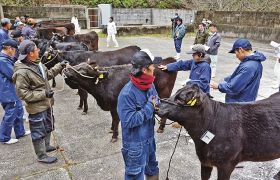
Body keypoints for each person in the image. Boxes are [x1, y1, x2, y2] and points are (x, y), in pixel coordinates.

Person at [12, 40, 68, 163]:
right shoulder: (22, 72)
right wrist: (44, 94)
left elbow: (47, 75)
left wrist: (60, 66)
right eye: (36, 49)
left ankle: (46, 146)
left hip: (47, 104)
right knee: (38, 131)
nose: (38, 50)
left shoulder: (38, 64)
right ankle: (41, 156)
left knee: (48, 125)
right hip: (36, 107)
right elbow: (22, 93)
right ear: (30, 53)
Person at [117, 49, 159, 180]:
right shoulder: (127, 94)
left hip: (149, 139)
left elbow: (156, 99)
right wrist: (150, 106)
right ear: (145, 69)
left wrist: (155, 104)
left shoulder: (150, 84)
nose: (155, 68)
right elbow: (129, 121)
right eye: (153, 66)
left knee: (152, 168)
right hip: (135, 145)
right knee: (135, 175)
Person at [210, 38, 266, 103]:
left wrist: (218, 86)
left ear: (241, 49)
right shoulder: (255, 62)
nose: (236, 56)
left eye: (236, 52)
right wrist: (226, 80)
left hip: (239, 104)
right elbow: (240, 76)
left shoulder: (248, 67)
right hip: (247, 99)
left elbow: (234, 87)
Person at [0, 39, 30, 144]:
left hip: (12, 90)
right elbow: (12, 74)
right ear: (9, 49)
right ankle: (4, 137)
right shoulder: (2, 60)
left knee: (18, 110)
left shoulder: (6, 58)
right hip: (7, 92)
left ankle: (20, 132)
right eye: (14, 50)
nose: (15, 52)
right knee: (10, 113)